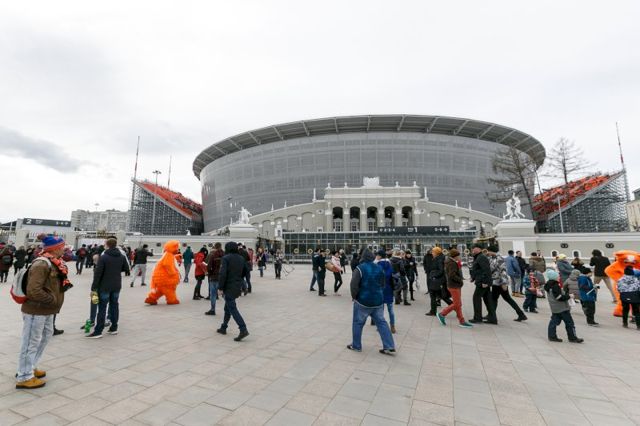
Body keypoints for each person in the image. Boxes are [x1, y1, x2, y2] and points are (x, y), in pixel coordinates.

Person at [16, 235, 71, 389]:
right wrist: (52, 300)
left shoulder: (55, 262)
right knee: (30, 342)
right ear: (55, 249)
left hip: (47, 310)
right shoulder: (41, 264)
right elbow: (33, 290)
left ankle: (31, 366)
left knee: (46, 336)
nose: (64, 249)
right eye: (62, 246)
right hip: (36, 309)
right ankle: (24, 376)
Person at [347, 248, 396, 355]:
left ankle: (356, 345)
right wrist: (378, 293)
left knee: (358, 323)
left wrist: (354, 296)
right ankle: (389, 345)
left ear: (362, 257)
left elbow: (353, 284)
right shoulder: (379, 268)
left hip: (363, 301)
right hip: (378, 301)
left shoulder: (359, 268)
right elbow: (383, 284)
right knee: (382, 322)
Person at [86, 237, 130, 338]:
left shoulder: (104, 257)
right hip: (116, 285)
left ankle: (98, 331)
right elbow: (126, 268)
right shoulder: (121, 256)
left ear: (107, 245)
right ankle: (114, 328)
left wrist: (93, 287)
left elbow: (98, 274)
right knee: (114, 306)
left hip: (104, 286)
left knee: (102, 308)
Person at [216, 242, 250, 341]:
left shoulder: (226, 258)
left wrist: (220, 288)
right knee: (228, 308)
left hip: (228, 287)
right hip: (237, 286)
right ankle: (223, 327)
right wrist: (238, 278)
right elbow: (246, 271)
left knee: (232, 309)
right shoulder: (241, 258)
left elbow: (223, 274)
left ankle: (243, 329)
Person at [488, 246, 528, 322]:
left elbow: (503, 270)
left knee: (496, 299)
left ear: (492, 251)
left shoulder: (499, 258)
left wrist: (504, 283)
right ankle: (521, 314)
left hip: (499, 282)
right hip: (496, 282)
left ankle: (492, 316)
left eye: (488, 251)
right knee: (500, 299)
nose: (488, 253)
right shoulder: (492, 258)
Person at [544, 269, 583, 343]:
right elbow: (559, 297)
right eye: (558, 276)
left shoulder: (548, 285)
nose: (559, 277)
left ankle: (552, 336)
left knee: (554, 322)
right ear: (554, 277)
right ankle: (572, 337)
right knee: (569, 323)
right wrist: (569, 296)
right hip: (562, 308)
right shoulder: (555, 285)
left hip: (554, 308)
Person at [437, 249, 473, 328]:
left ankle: (462, 321)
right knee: (457, 304)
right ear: (455, 256)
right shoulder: (451, 263)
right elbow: (451, 275)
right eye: (459, 255)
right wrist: (460, 280)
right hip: (454, 286)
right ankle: (442, 314)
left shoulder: (451, 262)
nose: (460, 257)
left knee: (458, 304)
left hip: (454, 285)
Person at [144, 241, 181, 305]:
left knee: (160, 290)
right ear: (172, 248)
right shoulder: (169, 255)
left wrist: (177, 256)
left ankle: (151, 298)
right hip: (166, 279)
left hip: (160, 279)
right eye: (176, 248)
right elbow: (167, 265)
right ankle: (172, 300)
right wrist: (173, 273)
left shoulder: (167, 254)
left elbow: (170, 261)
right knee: (169, 290)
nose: (177, 250)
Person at [469, 244, 497, 324]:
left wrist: (485, 282)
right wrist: (473, 277)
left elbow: (486, 270)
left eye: (473, 248)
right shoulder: (478, 257)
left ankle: (478, 318)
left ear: (478, 249)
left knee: (476, 298)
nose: (472, 250)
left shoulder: (481, 257)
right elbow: (478, 269)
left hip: (482, 282)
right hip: (482, 281)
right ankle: (492, 318)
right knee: (488, 300)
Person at [374, 249, 396, 333]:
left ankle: (380, 326)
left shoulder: (378, 264)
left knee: (380, 309)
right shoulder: (389, 264)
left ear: (380, 256)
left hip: (380, 289)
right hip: (389, 288)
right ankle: (392, 326)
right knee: (390, 309)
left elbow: (376, 276)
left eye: (377, 255)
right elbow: (391, 274)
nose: (376, 256)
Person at [426, 247, 450, 314]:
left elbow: (441, 270)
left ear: (436, 253)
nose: (432, 253)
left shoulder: (439, 259)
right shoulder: (438, 258)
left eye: (433, 252)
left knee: (439, 296)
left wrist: (433, 275)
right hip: (437, 281)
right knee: (440, 296)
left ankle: (454, 306)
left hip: (437, 281)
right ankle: (433, 311)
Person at [205, 242, 224, 315]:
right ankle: (229, 308)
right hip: (222, 277)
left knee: (213, 294)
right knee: (224, 294)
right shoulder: (225, 255)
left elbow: (209, 267)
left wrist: (209, 274)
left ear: (215, 247)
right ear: (221, 246)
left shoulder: (213, 255)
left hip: (213, 277)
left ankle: (213, 310)